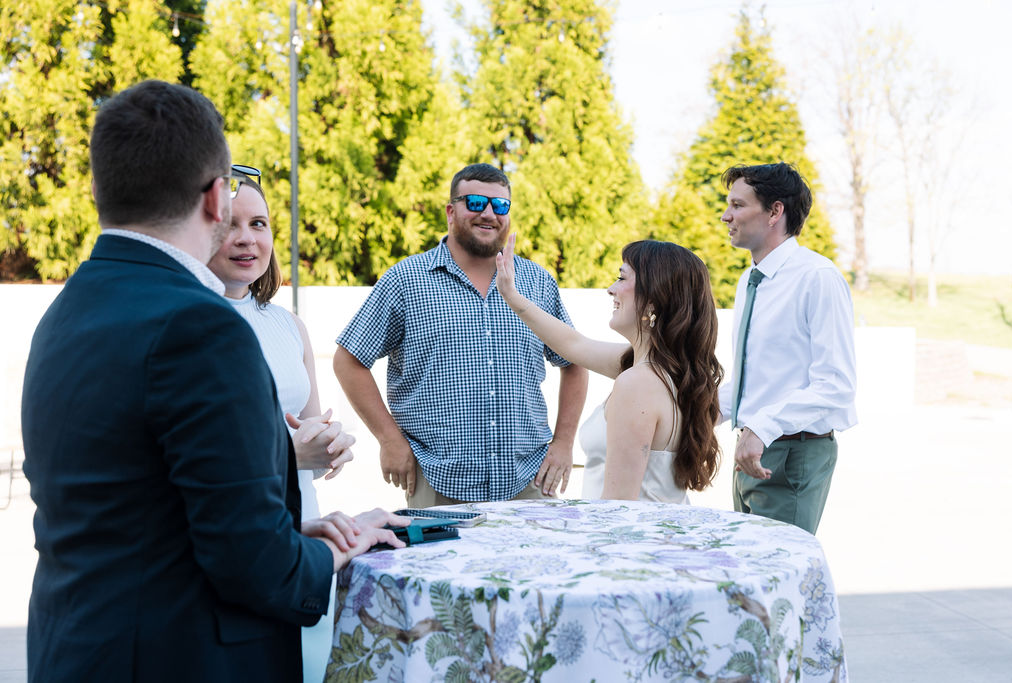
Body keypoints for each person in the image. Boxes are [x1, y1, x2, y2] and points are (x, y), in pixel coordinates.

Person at [20, 80, 405, 683]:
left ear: (100, 189)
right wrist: (340, 546)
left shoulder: (68, 309)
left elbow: (132, 503)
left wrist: (292, 530)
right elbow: (256, 566)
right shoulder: (201, 325)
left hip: (74, 648)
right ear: (217, 199)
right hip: (173, 657)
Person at [334, 163, 588, 504]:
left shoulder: (537, 282)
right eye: (475, 202)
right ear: (451, 212)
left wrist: (564, 443)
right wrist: (389, 439)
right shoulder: (406, 280)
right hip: (437, 481)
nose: (488, 214)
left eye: (500, 205)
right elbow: (348, 360)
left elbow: (575, 361)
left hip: (528, 481)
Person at [206, 167, 352, 683]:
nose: (247, 238)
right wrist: (289, 453)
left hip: (302, 522)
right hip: (239, 534)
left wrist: (332, 443)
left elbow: (313, 426)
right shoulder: (191, 321)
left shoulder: (289, 325)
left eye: (259, 224)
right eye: (230, 224)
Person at [496, 235, 722, 501]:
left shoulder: (638, 383)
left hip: (629, 528)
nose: (611, 289)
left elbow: (618, 505)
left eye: (622, 278)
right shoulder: (664, 369)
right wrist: (511, 296)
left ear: (653, 300)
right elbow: (574, 345)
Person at [718, 162, 857, 534]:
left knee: (773, 567)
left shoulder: (818, 278)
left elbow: (836, 385)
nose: (725, 216)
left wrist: (762, 427)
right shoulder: (749, 279)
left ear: (774, 212)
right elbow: (757, 380)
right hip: (751, 449)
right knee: (745, 564)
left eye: (737, 205)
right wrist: (701, 414)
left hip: (792, 453)